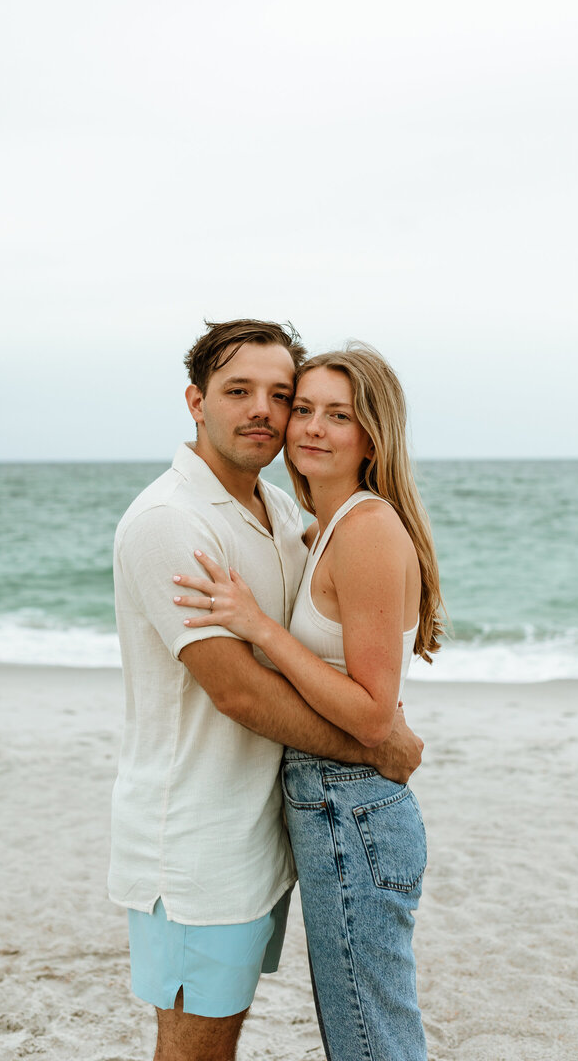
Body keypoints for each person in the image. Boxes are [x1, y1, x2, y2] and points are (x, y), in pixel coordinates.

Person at [109, 321, 425, 1061]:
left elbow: (344, 635)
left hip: (267, 831)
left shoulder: (284, 514)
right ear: (196, 401)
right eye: (237, 391)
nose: (265, 411)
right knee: (196, 1044)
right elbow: (242, 694)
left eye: (280, 395)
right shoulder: (168, 522)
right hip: (195, 841)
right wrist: (375, 744)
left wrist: (383, 714)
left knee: (247, 1031)